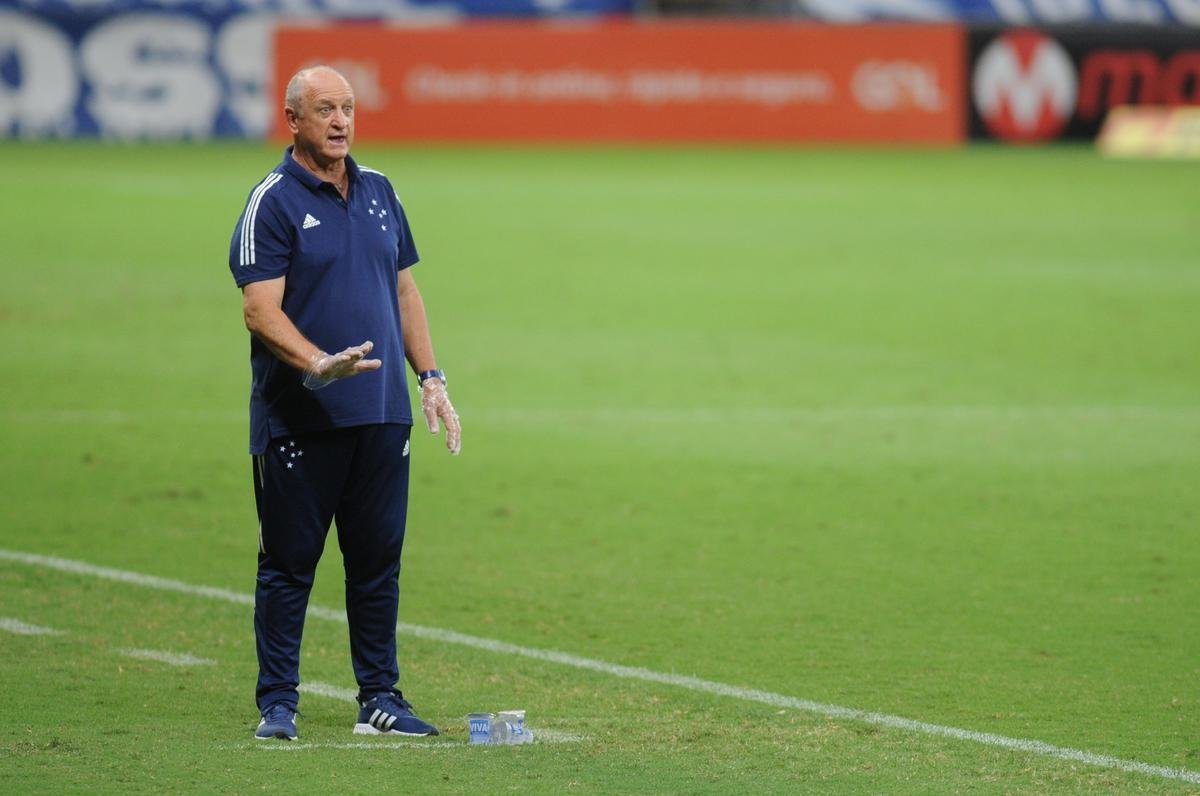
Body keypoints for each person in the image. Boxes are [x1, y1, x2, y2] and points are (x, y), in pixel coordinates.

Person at [227, 65, 461, 741]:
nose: (340, 121)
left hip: (382, 413)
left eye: (348, 108)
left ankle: (379, 698)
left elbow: (405, 291)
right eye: (325, 109)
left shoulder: (382, 189)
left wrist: (431, 377)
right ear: (292, 119)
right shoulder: (270, 201)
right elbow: (257, 309)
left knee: (377, 562)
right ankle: (278, 703)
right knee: (289, 563)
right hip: (302, 416)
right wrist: (316, 364)